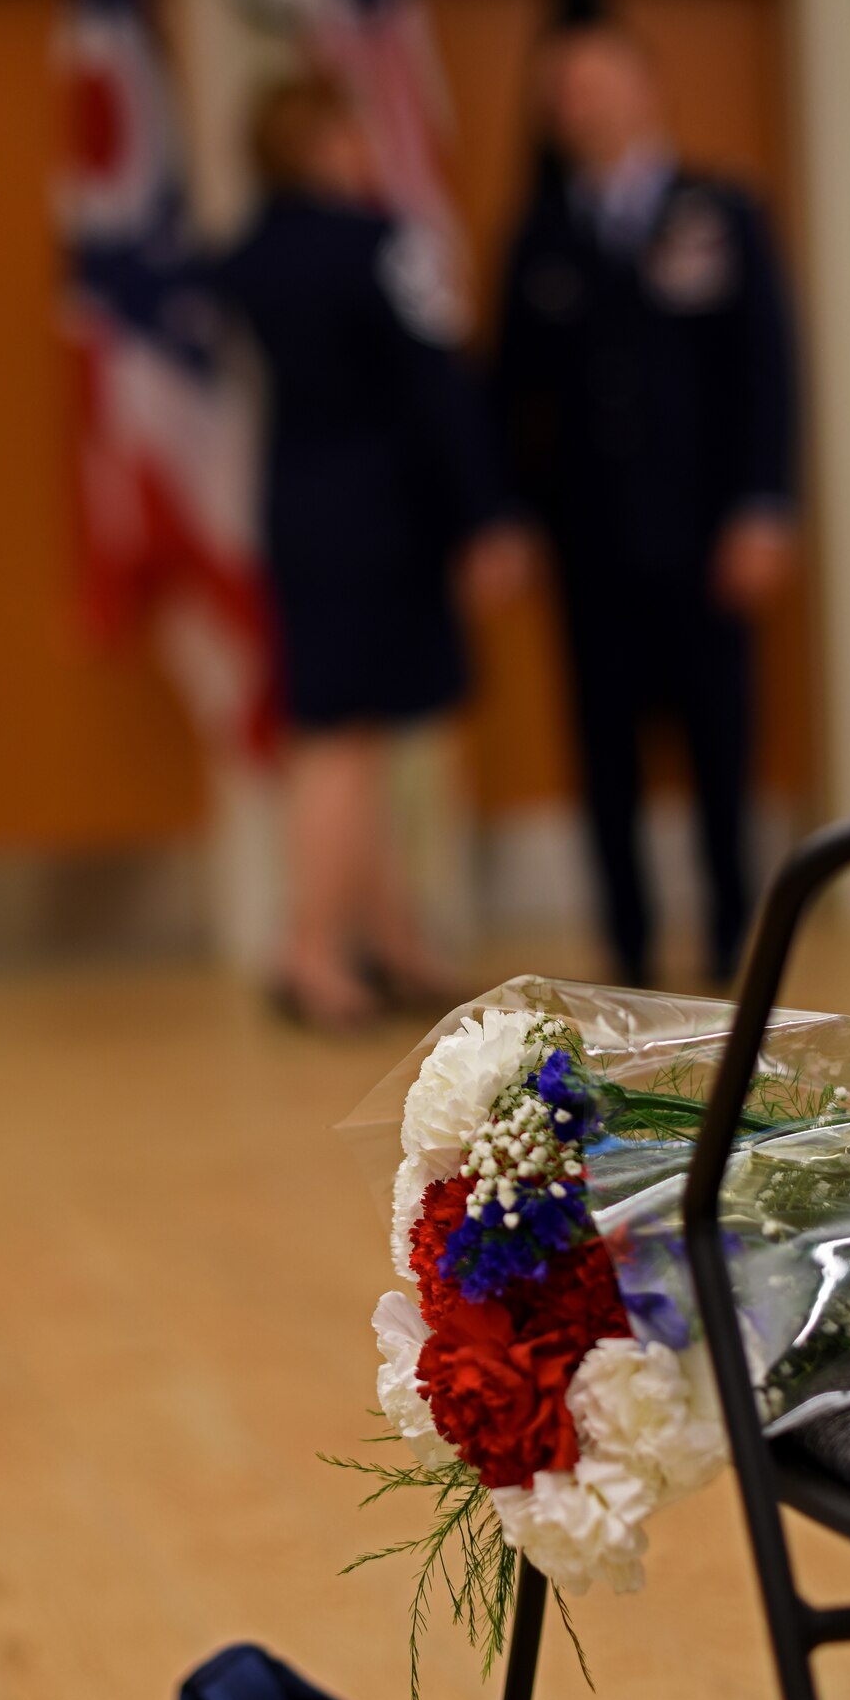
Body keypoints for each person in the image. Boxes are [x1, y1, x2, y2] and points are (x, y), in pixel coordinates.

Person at [213, 73, 525, 1030]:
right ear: (322, 144)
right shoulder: (382, 243)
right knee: (344, 738)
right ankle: (311, 953)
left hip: (300, 510)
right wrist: (487, 513)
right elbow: (437, 384)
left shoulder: (245, 256)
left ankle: (392, 941)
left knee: (366, 731)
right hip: (384, 518)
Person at [494, 22, 800, 986]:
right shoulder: (540, 232)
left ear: (643, 90)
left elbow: (766, 367)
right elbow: (509, 390)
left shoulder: (718, 211)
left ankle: (727, 938)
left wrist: (763, 505)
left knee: (717, 743)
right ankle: (624, 946)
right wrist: (509, 514)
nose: (574, 106)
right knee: (605, 753)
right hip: (588, 544)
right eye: (560, 93)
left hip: (707, 532)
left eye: (592, 85)